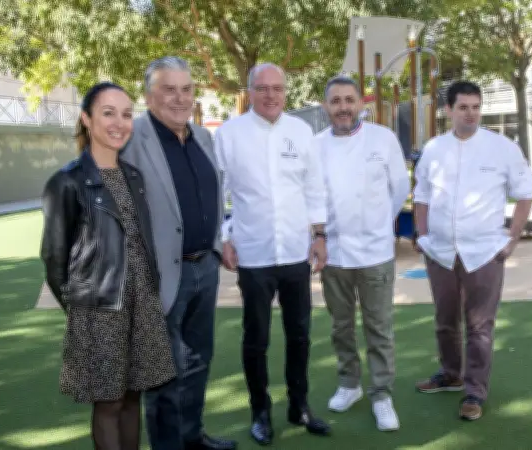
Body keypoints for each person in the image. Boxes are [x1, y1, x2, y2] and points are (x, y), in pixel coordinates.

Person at [39, 82, 177, 450]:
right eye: (108, 112)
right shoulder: (66, 182)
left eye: (127, 113)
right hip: (99, 309)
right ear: (86, 119)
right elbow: (54, 258)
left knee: (134, 396)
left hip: (142, 304)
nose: (119, 122)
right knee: (110, 402)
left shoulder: (133, 177)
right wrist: (82, 306)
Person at [119, 57, 235, 450]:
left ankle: (192, 437)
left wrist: (217, 247)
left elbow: (213, 195)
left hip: (205, 268)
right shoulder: (131, 138)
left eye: (186, 89)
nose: (179, 98)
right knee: (164, 373)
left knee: (198, 361)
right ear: (150, 96)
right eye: (169, 89)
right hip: (158, 276)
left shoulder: (203, 137)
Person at [214, 63, 331, 445]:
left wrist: (319, 235)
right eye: (262, 88)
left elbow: (314, 187)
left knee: (300, 335)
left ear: (286, 92)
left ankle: (299, 407)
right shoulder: (230, 135)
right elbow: (219, 192)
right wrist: (223, 236)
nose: (270, 95)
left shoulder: (301, 131)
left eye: (277, 88)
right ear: (249, 91)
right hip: (253, 254)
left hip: (296, 252)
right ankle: (260, 412)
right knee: (256, 338)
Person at [412, 81, 532, 421]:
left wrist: (512, 238)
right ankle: (450, 374)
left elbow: (525, 193)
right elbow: (421, 195)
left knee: (480, 326)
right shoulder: (434, 149)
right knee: (444, 320)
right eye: (463, 107)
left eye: (476, 107)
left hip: (484, 252)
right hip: (439, 252)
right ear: (449, 110)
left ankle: (474, 392)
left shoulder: (502, 148)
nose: (471, 113)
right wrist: (422, 237)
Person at [315, 76, 410, 431]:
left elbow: (399, 188)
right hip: (335, 253)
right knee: (341, 327)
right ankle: (349, 384)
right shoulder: (316, 145)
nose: (343, 107)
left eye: (349, 99)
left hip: (375, 252)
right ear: (326, 106)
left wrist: (377, 224)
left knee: (379, 328)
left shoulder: (383, 139)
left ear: (360, 103)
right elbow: (312, 196)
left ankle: (382, 394)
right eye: (336, 100)